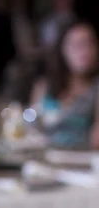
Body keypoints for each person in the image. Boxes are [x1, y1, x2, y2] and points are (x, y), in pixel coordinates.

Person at [31, 21, 99, 150]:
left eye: (90, 44)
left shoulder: (96, 89)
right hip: (42, 157)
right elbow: (31, 126)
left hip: (80, 162)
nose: (85, 51)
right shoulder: (44, 86)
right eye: (77, 45)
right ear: (62, 49)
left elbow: (97, 140)